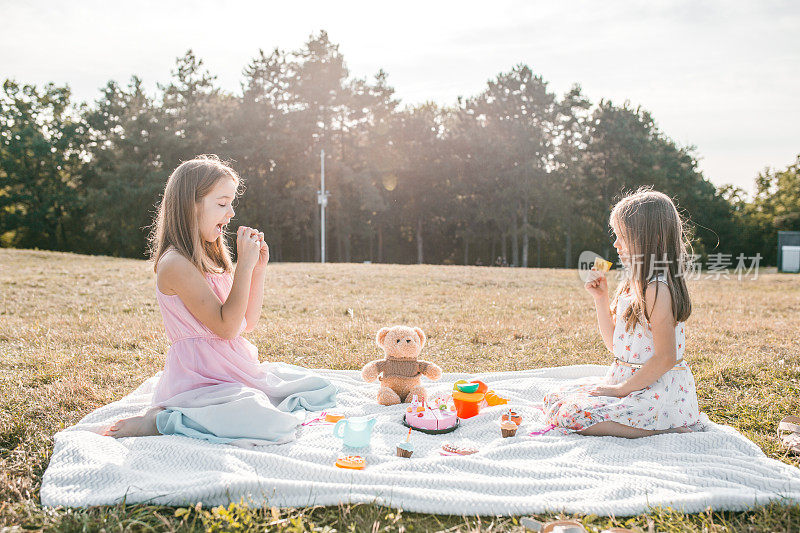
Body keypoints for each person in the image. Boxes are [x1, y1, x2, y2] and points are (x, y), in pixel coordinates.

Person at [105, 155, 336, 444]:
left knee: (318, 387)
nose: (230, 214)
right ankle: (164, 419)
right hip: (200, 379)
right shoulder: (175, 263)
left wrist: (257, 270)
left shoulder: (211, 256)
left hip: (232, 369)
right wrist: (243, 267)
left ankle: (218, 409)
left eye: (231, 204)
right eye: (222, 203)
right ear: (192, 205)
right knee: (269, 421)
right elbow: (225, 328)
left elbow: (245, 323)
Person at [542, 188, 700, 438]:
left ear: (654, 238)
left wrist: (620, 391)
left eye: (623, 236)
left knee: (571, 415)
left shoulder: (657, 289)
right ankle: (642, 425)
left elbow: (665, 358)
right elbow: (615, 346)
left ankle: (662, 432)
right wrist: (601, 299)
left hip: (655, 390)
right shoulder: (632, 282)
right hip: (627, 382)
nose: (615, 244)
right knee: (554, 398)